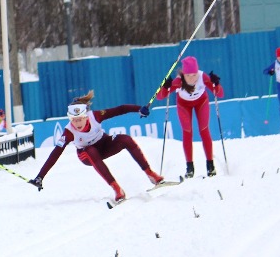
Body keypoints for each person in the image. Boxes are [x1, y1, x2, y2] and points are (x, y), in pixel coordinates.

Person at [28, 91, 163, 203]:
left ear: (86, 116)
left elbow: (120, 109)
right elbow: (55, 153)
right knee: (90, 151)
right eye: (74, 120)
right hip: (86, 154)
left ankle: (151, 174)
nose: (77, 123)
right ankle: (116, 189)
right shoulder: (68, 132)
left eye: (80, 118)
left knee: (125, 139)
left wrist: (139, 109)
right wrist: (40, 176)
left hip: (104, 144)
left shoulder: (96, 116)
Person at [155, 55, 225, 177]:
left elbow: (220, 94)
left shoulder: (203, 77)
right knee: (187, 132)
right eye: (188, 76)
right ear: (184, 74)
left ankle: (210, 166)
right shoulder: (178, 81)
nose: (192, 78)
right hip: (183, 105)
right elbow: (160, 97)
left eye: (194, 75)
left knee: (204, 130)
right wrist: (165, 86)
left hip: (201, 102)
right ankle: (190, 168)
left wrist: (216, 84)